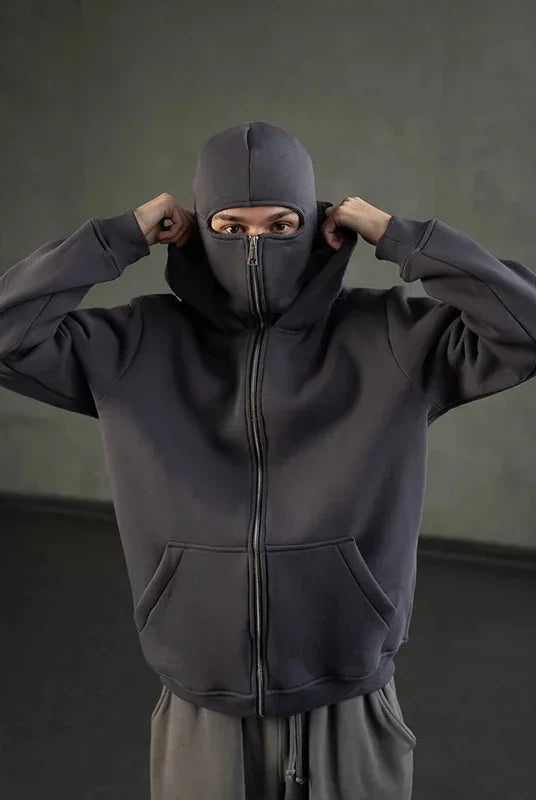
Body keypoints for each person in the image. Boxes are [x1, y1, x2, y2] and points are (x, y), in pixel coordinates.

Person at [1, 121, 535, 800]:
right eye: (230, 225)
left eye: (281, 225)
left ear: (317, 227)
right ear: (197, 229)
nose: (255, 246)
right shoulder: (137, 342)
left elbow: (526, 327)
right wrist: (115, 238)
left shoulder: (391, 337)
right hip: (202, 708)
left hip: (350, 700)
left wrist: (400, 236)